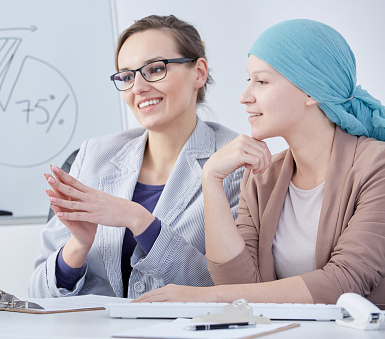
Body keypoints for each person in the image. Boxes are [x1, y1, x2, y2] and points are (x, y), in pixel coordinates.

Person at [134, 19, 385, 306]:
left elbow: (344, 283)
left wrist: (201, 297)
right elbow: (241, 287)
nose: (244, 97)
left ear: (312, 91)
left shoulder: (377, 166)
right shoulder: (263, 177)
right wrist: (211, 179)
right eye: (248, 80)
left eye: (262, 82)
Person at [28, 15, 243, 299]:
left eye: (155, 69)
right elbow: (36, 294)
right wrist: (78, 246)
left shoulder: (236, 163)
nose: (138, 87)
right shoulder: (94, 156)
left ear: (199, 72)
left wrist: (139, 220)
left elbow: (232, 289)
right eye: (127, 76)